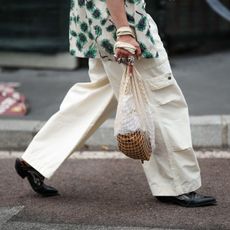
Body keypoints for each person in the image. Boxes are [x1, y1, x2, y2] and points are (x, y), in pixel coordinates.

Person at [15, 0, 217, 207]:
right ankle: (176, 185)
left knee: (99, 95)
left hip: (100, 20)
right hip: (123, 23)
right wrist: (123, 30)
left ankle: (36, 161)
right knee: (160, 100)